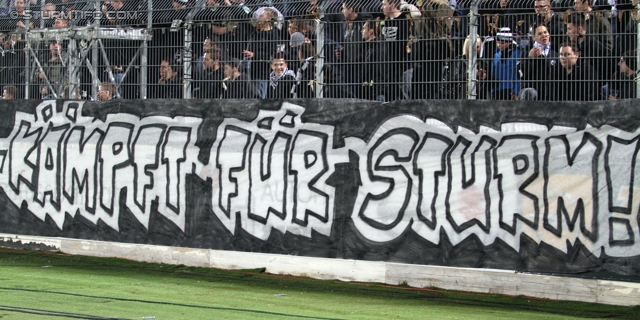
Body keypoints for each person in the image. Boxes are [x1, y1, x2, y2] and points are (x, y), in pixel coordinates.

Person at [243, 8, 283, 99]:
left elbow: (271, 55)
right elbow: (247, 16)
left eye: (262, 15)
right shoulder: (257, 31)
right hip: (252, 70)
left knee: (259, 97)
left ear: (268, 19)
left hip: (262, 73)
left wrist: (254, 55)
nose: (259, 17)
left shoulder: (274, 34)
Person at [519, 24, 560, 100]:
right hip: (532, 96)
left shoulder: (555, 53)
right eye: (540, 34)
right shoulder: (526, 51)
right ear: (534, 37)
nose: (544, 35)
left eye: (545, 32)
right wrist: (530, 58)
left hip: (550, 96)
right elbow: (520, 73)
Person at [359, 19, 388, 101]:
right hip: (370, 92)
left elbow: (380, 73)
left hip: (377, 94)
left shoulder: (378, 48)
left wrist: (376, 93)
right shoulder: (369, 47)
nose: (361, 31)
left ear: (371, 31)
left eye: (364, 28)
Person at [491, 27, 521, 100]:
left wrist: (516, 91)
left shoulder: (517, 54)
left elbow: (517, 74)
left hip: (510, 89)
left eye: (502, 43)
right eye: (497, 42)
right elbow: (493, 74)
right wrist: (493, 91)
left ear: (510, 42)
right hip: (498, 89)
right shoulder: (496, 55)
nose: (499, 45)